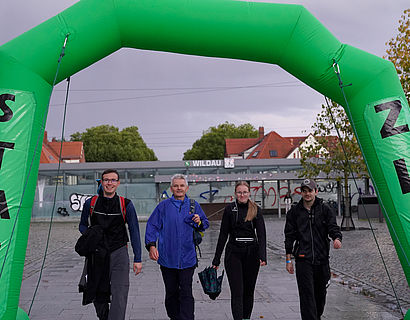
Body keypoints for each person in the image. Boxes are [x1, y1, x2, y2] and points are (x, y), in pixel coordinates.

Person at [79, 169, 142, 320]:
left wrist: (138, 258)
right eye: (106, 180)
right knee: (96, 293)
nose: (109, 183)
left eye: (113, 180)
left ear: (118, 183)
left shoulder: (126, 204)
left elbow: (134, 231)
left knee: (119, 293)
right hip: (96, 254)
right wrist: (90, 236)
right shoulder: (90, 204)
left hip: (118, 252)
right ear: (101, 182)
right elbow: (82, 225)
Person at [145, 174, 209, 320]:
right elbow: (152, 226)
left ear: (187, 188)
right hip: (168, 258)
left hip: (188, 258)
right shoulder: (163, 206)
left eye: (181, 185)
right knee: (171, 292)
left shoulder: (194, 205)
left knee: (186, 291)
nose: (179, 188)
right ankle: (174, 317)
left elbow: (205, 224)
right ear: (171, 188)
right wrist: (151, 246)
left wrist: (199, 221)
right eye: (176, 186)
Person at [284, 179, 342, 320]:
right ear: (301, 193)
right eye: (304, 191)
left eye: (310, 190)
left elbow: (333, 227)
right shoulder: (294, 212)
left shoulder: (325, 209)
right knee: (307, 295)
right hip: (303, 259)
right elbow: (289, 236)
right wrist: (288, 260)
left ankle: (317, 316)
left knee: (320, 295)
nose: (307, 194)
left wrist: (337, 238)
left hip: (322, 259)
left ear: (315, 191)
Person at [212, 181, 267, 320]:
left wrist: (263, 255)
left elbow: (261, 234)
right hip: (234, 253)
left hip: (252, 253)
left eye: (245, 192)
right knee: (237, 291)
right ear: (235, 194)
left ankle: (246, 317)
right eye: (239, 192)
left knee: (248, 291)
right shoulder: (230, 209)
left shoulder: (256, 209)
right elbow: (223, 234)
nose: (242, 195)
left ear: (249, 193)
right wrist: (216, 258)